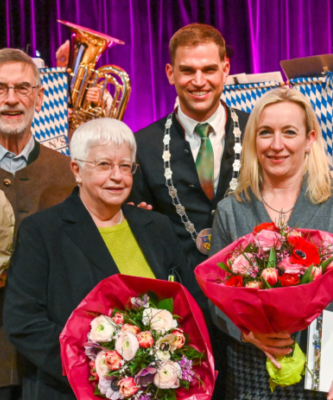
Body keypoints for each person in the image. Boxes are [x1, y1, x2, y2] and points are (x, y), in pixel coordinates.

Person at [210, 87, 333, 400]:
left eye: (289, 132)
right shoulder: (231, 210)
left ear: (309, 139)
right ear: (253, 140)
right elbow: (216, 300)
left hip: (332, 373)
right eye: (265, 132)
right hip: (255, 376)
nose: (276, 145)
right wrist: (248, 334)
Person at [2, 118, 189, 400]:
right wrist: (101, 368)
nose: (117, 176)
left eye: (125, 166)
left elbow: (188, 303)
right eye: (104, 165)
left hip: (156, 390)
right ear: (76, 169)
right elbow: (24, 321)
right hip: (70, 389)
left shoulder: (158, 227)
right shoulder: (43, 231)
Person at [128, 24, 249, 397]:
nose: (199, 81)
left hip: (253, 309)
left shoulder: (262, 132)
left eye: (209, 69)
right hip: (181, 318)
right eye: (187, 70)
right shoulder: (142, 145)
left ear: (226, 69)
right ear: (170, 73)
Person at [0, 48, 75, 400]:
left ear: (40, 97)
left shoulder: (70, 172)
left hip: (50, 367)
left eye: (23, 88)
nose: (12, 99)